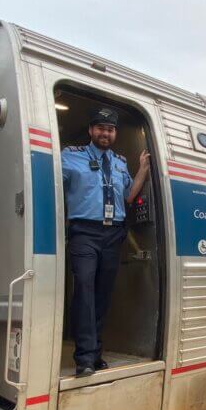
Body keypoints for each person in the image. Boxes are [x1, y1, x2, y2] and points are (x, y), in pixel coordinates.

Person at [61, 106, 150, 376]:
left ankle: (95, 352)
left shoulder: (120, 162)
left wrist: (142, 170)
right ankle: (85, 357)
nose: (105, 133)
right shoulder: (70, 156)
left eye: (110, 129)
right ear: (91, 130)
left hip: (113, 234)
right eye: (100, 128)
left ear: (114, 134)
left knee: (102, 295)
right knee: (85, 290)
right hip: (84, 232)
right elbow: (52, 184)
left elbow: (128, 196)